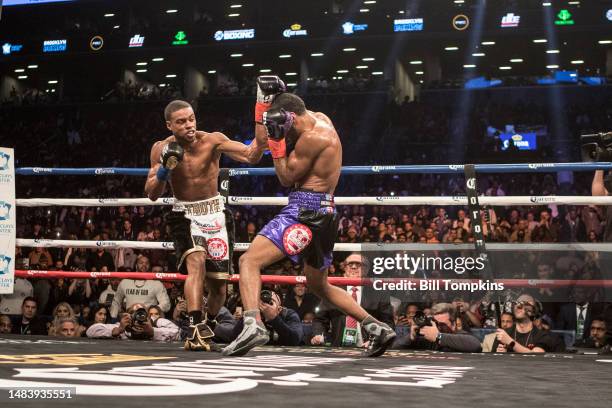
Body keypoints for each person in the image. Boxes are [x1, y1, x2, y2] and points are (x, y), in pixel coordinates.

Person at [223, 77, 396, 357]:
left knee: (248, 261)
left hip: (305, 211)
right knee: (318, 284)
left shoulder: (314, 139)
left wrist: (278, 145)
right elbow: (258, 144)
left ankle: (253, 324)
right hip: (326, 212)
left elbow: (284, 176)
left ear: (288, 118)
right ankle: (377, 328)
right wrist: (262, 103)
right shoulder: (317, 117)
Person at [144, 99, 267, 351]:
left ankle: (204, 325)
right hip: (184, 214)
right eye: (181, 121)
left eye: (191, 118)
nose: (189, 125)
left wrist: (263, 117)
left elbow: (251, 154)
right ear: (169, 125)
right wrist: (164, 171)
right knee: (196, 262)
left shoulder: (212, 141)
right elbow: (151, 193)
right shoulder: (160, 148)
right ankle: (196, 324)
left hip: (215, 213)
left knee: (219, 289)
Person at [311, 253, 394, 347]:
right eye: (350, 264)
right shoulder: (333, 291)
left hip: (367, 346)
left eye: (358, 264)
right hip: (339, 347)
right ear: (345, 268)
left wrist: (375, 342)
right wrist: (319, 335)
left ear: (366, 269)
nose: (354, 267)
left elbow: (388, 322)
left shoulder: (378, 293)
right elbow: (320, 319)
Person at [391, 303, 482, 352]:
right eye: (435, 323)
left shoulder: (459, 335)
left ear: (454, 325)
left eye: (442, 324)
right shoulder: (427, 339)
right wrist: (411, 337)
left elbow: (475, 345)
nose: (437, 328)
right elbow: (394, 350)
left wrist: (439, 337)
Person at [86, 302, 179, 342]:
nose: (138, 318)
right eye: (134, 314)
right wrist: (117, 330)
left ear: (147, 317)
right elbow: (90, 331)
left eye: (142, 314)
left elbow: (178, 333)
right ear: (128, 316)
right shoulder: (122, 328)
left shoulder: (157, 324)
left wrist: (153, 332)